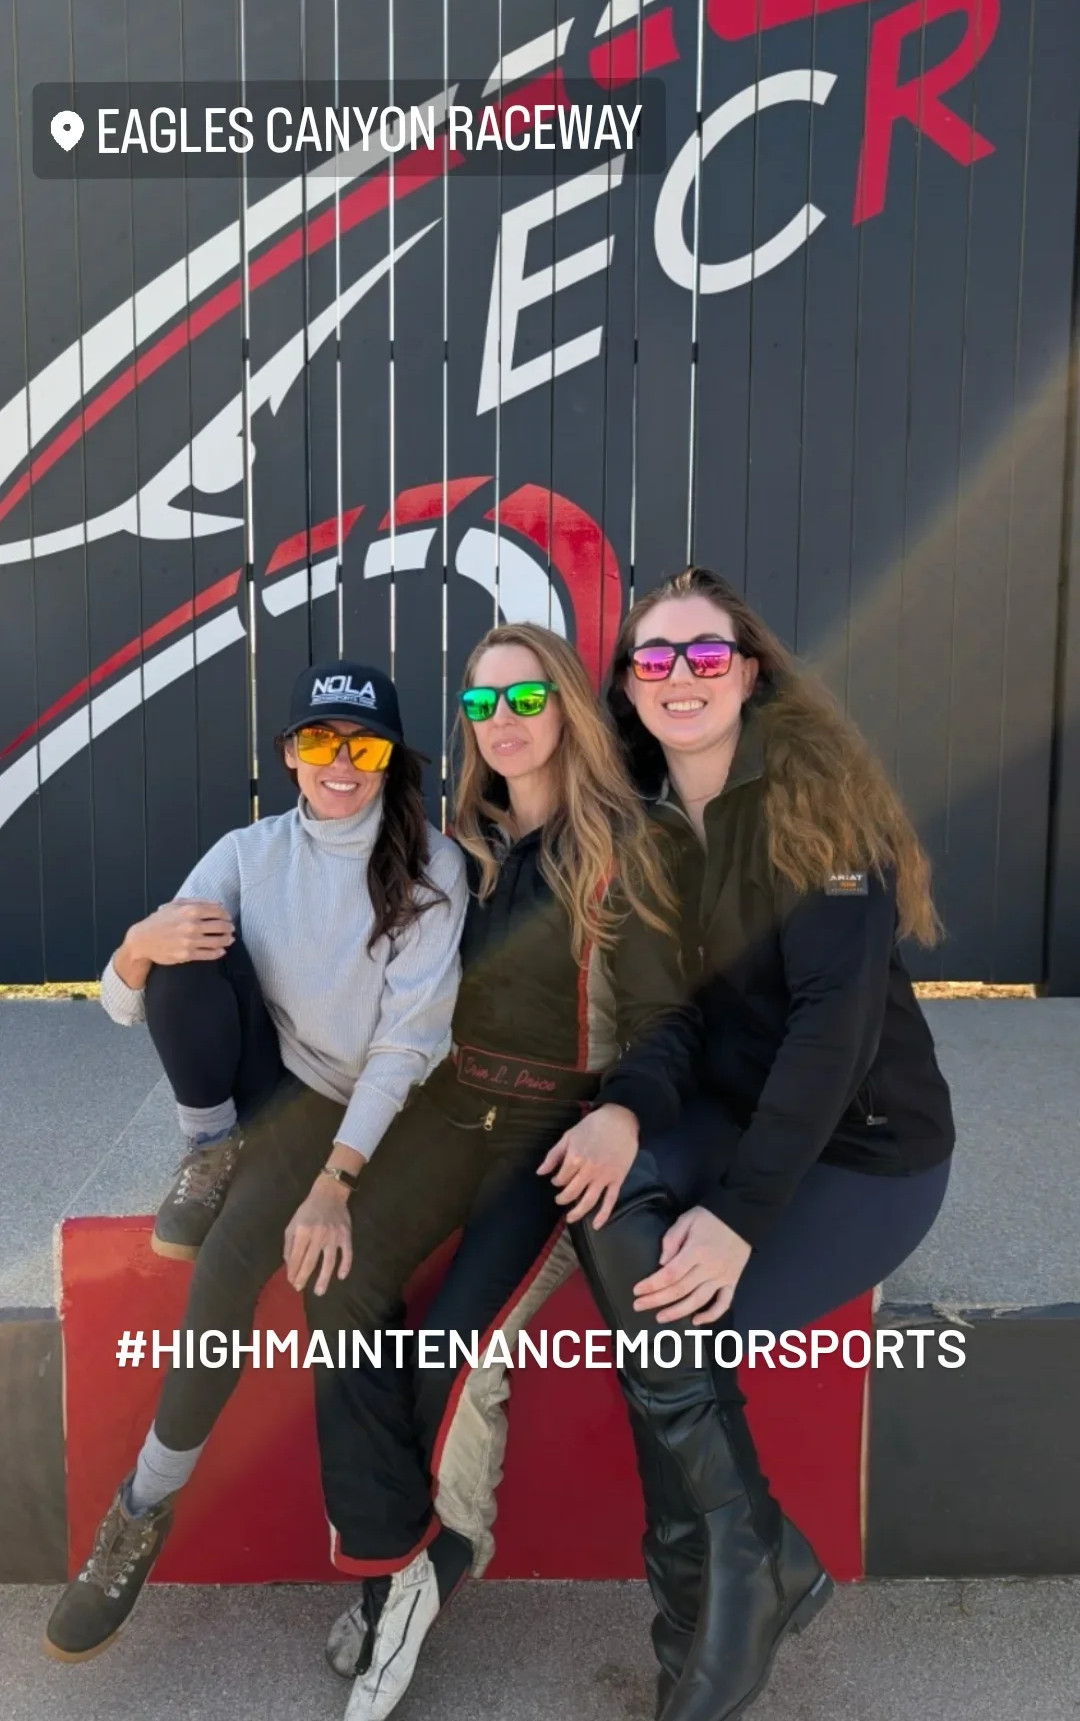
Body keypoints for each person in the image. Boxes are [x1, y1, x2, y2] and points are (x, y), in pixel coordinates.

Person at [567, 566, 956, 1721]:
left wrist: (736, 1222)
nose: (679, 676)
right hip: (731, 1114)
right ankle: (738, 1576)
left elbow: (831, 1037)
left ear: (747, 672)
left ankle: (728, 1591)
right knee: (599, 1189)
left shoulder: (814, 803)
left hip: (867, 1153)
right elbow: (672, 1015)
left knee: (678, 1326)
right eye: (655, 658)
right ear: (630, 687)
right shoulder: (642, 818)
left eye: (704, 654)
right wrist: (627, 1106)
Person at [305, 622, 700, 1721]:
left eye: (525, 699)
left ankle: (440, 1564)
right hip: (446, 1107)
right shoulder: (454, 842)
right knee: (334, 1275)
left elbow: (671, 1022)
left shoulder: (633, 840)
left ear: (568, 703)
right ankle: (394, 1562)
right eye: (483, 706)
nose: (506, 723)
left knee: (454, 1343)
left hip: (555, 1127)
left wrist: (624, 1112)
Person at [44, 661, 467, 1665]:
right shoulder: (249, 850)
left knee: (234, 1258)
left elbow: (407, 1048)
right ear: (288, 754)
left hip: (368, 1109)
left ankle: (142, 1504)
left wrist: (335, 1180)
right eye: (318, 741)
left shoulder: (429, 870)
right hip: (270, 1090)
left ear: (391, 763)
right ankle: (207, 1146)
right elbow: (119, 1000)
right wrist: (140, 944)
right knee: (183, 951)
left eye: (360, 746)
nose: (339, 764)